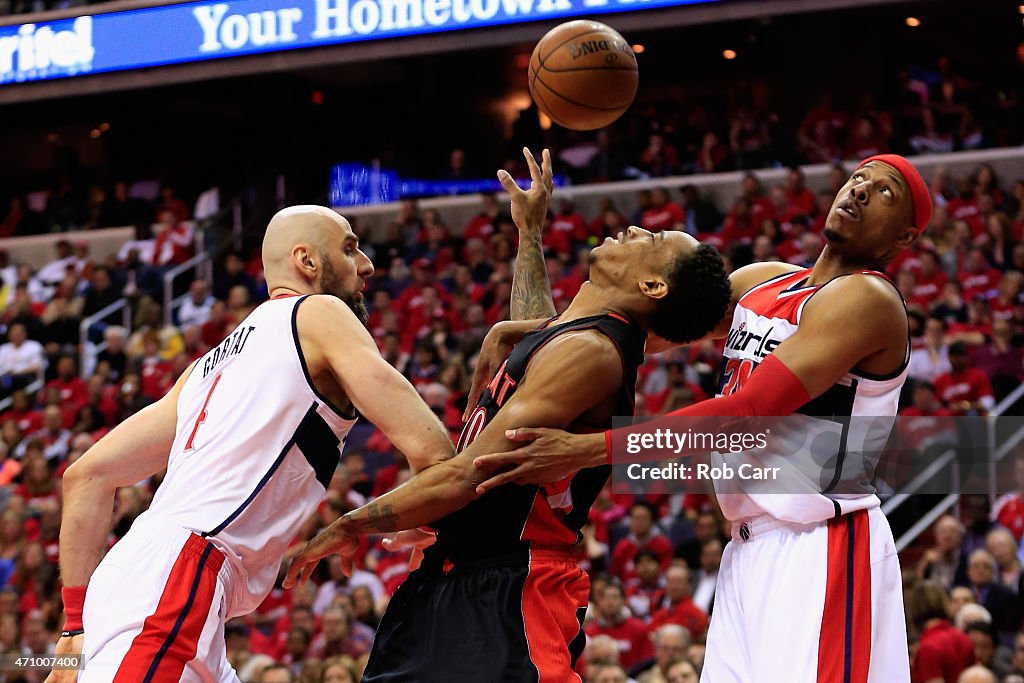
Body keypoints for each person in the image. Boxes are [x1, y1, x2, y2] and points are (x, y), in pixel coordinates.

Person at [470, 154, 934, 682]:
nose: (860, 191)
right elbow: (582, 339)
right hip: (746, 550)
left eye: (885, 192)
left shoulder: (867, 298)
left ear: (904, 239)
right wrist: (531, 238)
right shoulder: (763, 283)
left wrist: (590, 448)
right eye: (858, 178)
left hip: (823, 548)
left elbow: (748, 411)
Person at [283, 148, 732, 681]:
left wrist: (352, 522)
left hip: (509, 584)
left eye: (652, 241)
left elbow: (471, 471)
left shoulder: (594, 352)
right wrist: (531, 232)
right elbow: (531, 336)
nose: (635, 228)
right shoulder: (571, 341)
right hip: (457, 574)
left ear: (652, 287)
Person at [45, 206, 457, 682]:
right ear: (306, 261)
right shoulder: (319, 312)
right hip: (181, 574)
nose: (365, 264)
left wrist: (74, 629)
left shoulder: (203, 370)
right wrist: (425, 513)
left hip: (153, 581)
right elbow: (430, 449)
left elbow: (86, 475)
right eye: (349, 247)